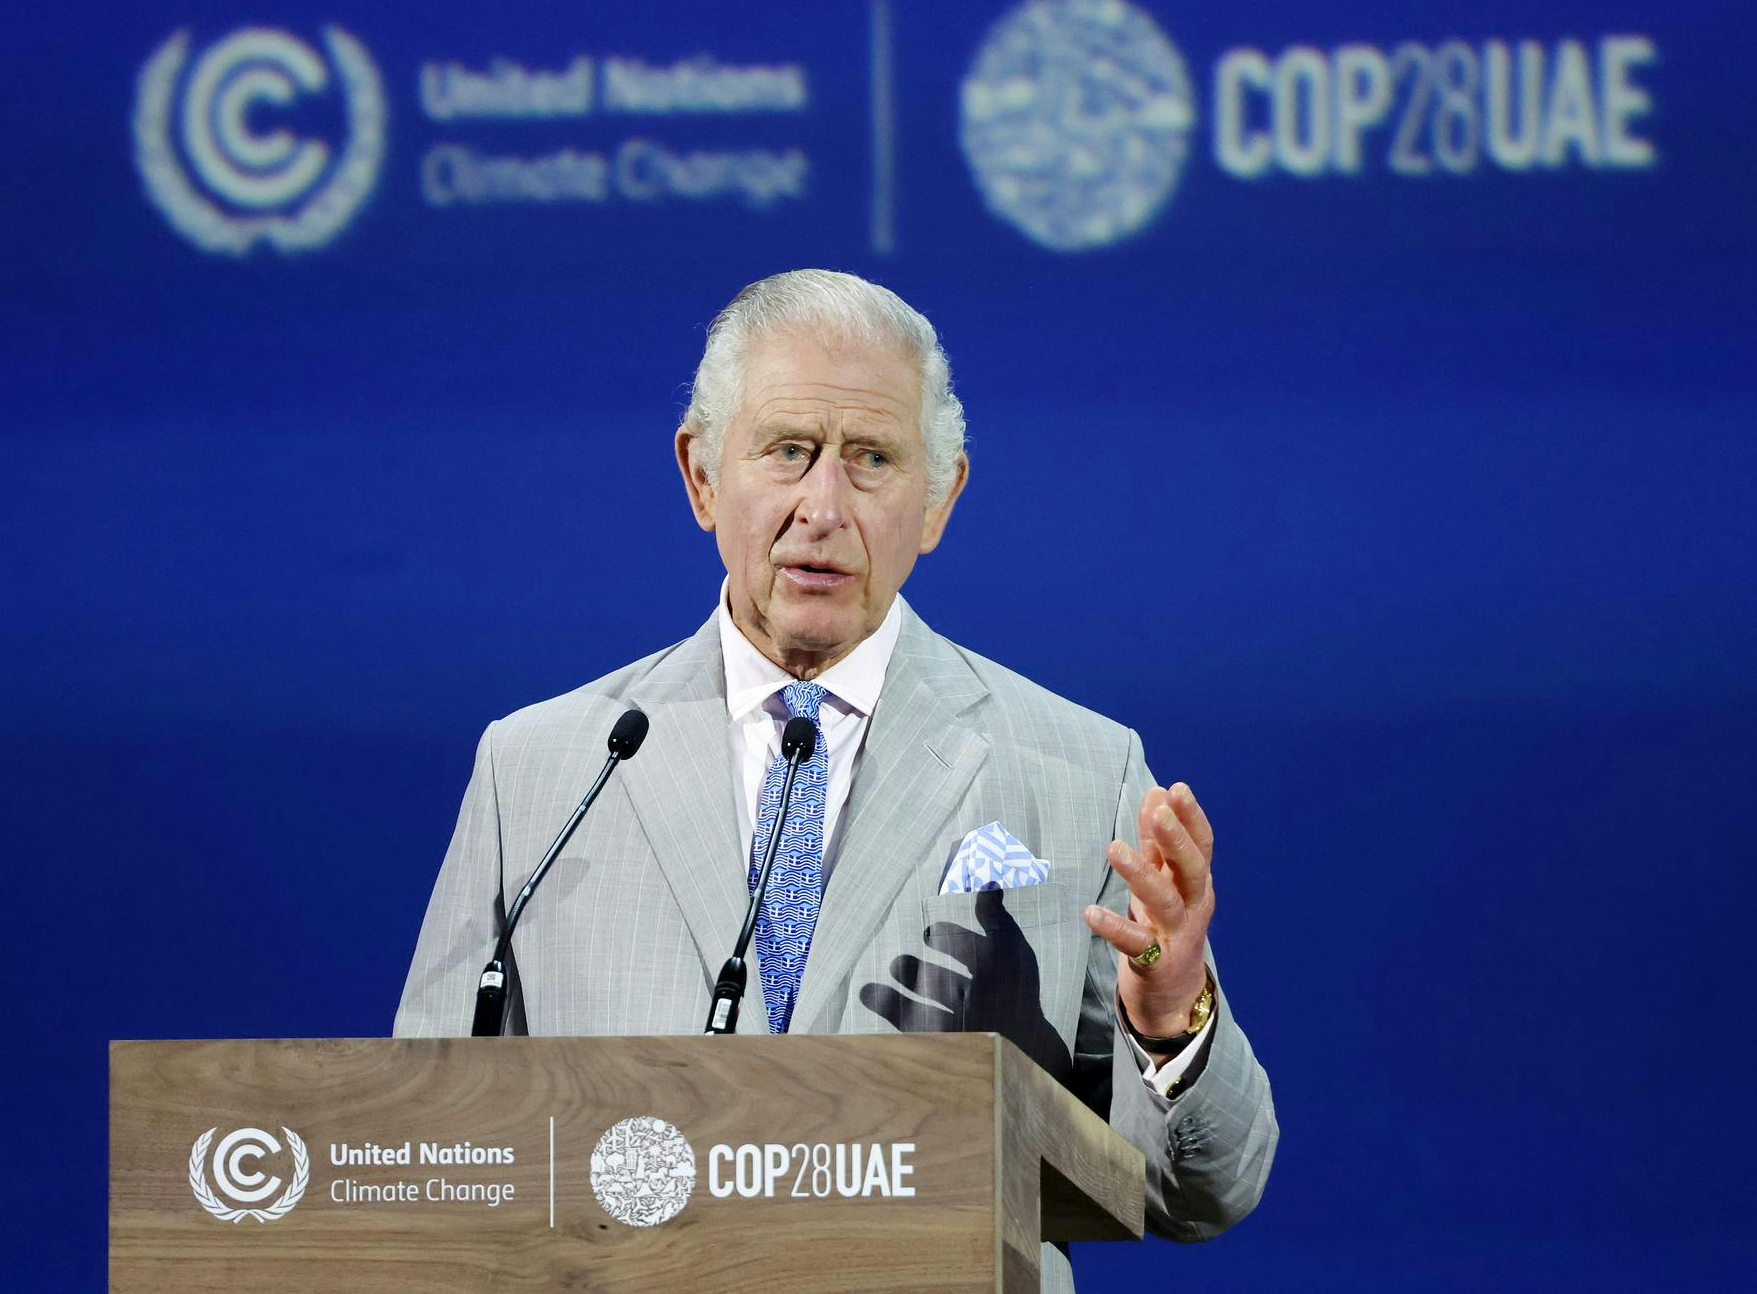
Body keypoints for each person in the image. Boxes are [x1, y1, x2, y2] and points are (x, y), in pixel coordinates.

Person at [396, 270, 1277, 1289]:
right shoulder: (544, 768)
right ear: (700, 476)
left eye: (870, 459)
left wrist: (1169, 1021)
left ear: (939, 497)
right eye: (787, 451)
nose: (822, 504)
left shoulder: (1077, 770)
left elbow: (1204, 1192)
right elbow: (429, 1151)